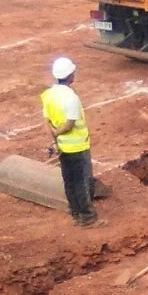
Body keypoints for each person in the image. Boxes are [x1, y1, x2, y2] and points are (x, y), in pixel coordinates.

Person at [41, 56, 103, 228]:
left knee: (69, 181)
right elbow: (69, 124)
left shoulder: (49, 95)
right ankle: (88, 218)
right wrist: (58, 132)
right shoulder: (71, 98)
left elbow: (47, 120)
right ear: (70, 76)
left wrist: (55, 139)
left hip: (62, 147)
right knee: (82, 182)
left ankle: (75, 214)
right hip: (78, 147)